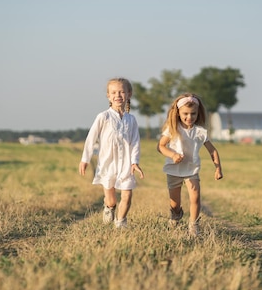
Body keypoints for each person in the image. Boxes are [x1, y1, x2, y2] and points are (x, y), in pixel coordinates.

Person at [79, 77, 144, 228]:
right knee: (111, 200)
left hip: (126, 164)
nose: (118, 95)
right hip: (108, 163)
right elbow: (91, 138)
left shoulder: (132, 119)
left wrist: (135, 162)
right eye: (113, 92)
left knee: (127, 195)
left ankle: (120, 223)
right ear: (108, 96)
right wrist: (85, 159)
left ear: (129, 94)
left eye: (122, 92)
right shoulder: (103, 117)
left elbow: (135, 142)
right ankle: (109, 207)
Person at [157, 93, 223, 236]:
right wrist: (173, 155)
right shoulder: (172, 128)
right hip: (174, 169)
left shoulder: (200, 132)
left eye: (193, 114)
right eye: (185, 114)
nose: (189, 117)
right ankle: (175, 216)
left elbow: (213, 151)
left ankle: (193, 225)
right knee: (175, 203)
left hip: (191, 170)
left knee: (195, 197)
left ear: (198, 113)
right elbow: (161, 146)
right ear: (178, 112)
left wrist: (218, 169)